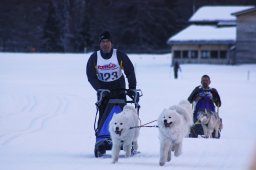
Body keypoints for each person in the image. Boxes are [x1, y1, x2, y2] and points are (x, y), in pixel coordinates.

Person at [86, 31, 137, 127]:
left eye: (107, 41)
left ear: (111, 43)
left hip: (119, 88)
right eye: (103, 41)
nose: (105, 44)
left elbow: (130, 72)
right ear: (100, 44)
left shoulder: (119, 55)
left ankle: (124, 137)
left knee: (122, 117)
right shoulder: (94, 58)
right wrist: (99, 89)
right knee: (104, 116)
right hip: (103, 89)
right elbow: (91, 76)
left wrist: (132, 89)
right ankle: (102, 137)